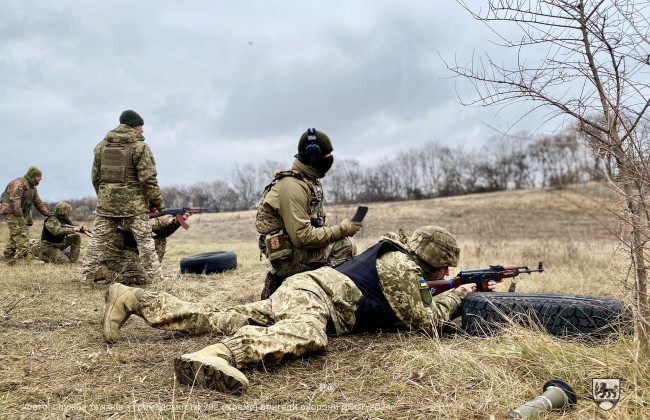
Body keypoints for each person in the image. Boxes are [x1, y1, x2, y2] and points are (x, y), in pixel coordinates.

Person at [102, 226, 501, 394]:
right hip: (317, 297)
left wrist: (451, 287)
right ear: (430, 255)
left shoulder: (400, 259)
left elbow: (417, 301)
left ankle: (135, 299)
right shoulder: (400, 265)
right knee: (308, 333)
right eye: (444, 264)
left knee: (221, 316)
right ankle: (218, 355)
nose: (446, 271)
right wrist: (461, 294)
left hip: (306, 288)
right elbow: (422, 320)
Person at [256, 128, 362, 299]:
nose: (330, 160)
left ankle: (311, 288)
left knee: (340, 242)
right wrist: (341, 230)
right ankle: (304, 291)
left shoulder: (309, 182)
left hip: (296, 250)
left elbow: (316, 226)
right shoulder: (293, 187)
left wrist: (338, 230)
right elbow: (301, 237)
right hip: (287, 258)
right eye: (327, 156)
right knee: (345, 245)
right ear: (314, 156)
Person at [79, 110, 166, 283]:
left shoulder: (101, 146)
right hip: (134, 206)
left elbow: (95, 178)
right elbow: (148, 179)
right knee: (146, 244)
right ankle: (157, 282)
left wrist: (104, 196)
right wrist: (159, 203)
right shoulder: (140, 146)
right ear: (135, 125)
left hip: (107, 204)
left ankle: (85, 280)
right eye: (141, 128)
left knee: (97, 241)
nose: (142, 131)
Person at [93, 212, 191, 285]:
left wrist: (176, 222)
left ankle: (152, 271)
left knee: (160, 239)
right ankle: (105, 272)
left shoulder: (147, 213)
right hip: (117, 254)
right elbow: (133, 225)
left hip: (132, 250)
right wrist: (160, 220)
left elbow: (163, 233)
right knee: (143, 280)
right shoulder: (126, 208)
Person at [0, 166, 49, 264]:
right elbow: (14, 199)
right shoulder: (19, 183)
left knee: (15, 234)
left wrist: (47, 213)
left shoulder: (32, 187)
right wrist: (19, 215)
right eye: (39, 177)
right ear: (33, 176)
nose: (41, 179)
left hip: (19, 213)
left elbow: (37, 201)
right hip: (11, 211)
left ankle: (8, 254)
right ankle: (27, 257)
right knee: (21, 233)